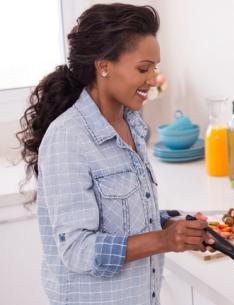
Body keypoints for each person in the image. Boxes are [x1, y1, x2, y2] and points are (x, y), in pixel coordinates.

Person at [17, 3, 213, 305]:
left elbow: (121, 219)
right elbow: (77, 249)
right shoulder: (68, 138)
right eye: (143, 68)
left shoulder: (131, 123)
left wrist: (170, 226)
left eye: (155, 68)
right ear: (104, 66)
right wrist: (162, 241)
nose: (153, 79)